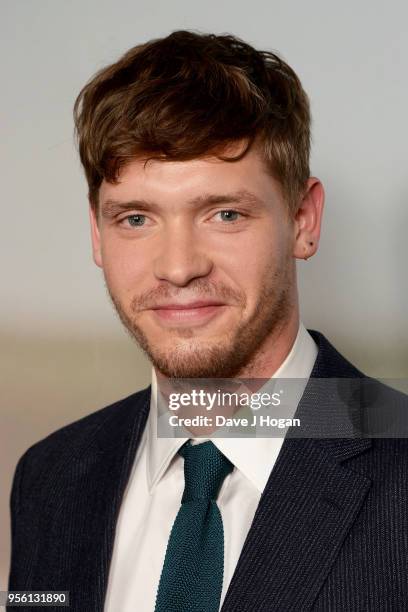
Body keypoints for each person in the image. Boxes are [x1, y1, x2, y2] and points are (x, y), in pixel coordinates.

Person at [8, 30, 408, 612]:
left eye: (224, 213)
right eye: (137, 219)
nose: (178, 267)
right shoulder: (50, 479)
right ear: (97, 233)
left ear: (302, 219)